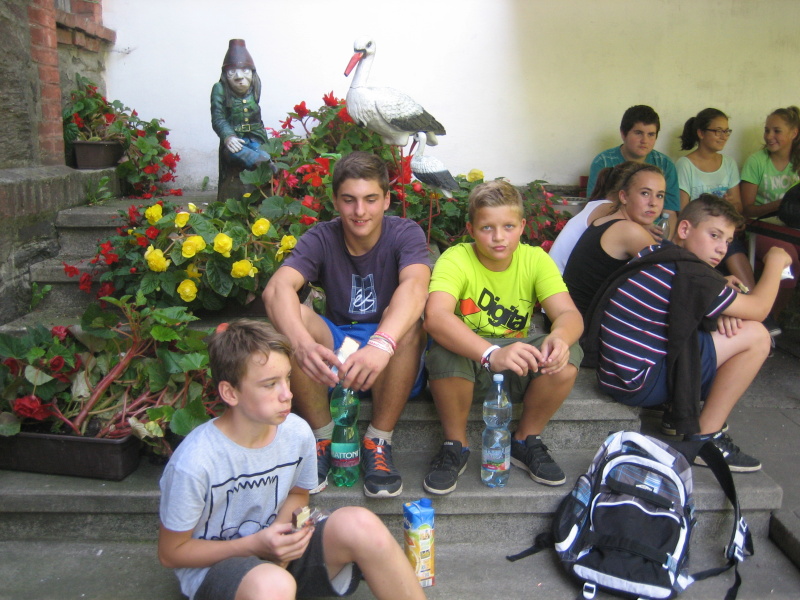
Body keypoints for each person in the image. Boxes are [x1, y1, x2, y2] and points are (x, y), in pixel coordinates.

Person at [158, 320, 425, 600]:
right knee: (273, 584)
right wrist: (256, 546)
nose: (287, 394)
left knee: (361, 524)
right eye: (270, 384)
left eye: (287, 378)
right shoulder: (195, 462)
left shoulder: (296, 432)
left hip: (277, 553)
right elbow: (171, 553)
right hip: (218, 568)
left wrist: (280, 538)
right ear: (230, 393)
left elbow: (298, 494)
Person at [262, 151, 431, 498]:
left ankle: (378, 442)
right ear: (336, 201)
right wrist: (301, 344)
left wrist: (381, 344)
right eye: (349, 200)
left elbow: (416, 286)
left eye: (371, 199)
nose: (360, 211)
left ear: (387, 200)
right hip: (337, 354)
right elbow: (277, 289)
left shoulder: (404, 232)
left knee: (410, 321)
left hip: (393, 355)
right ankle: (323, 439)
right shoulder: (322, 237)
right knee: (291, 318)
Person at [584, 195, 791, 472]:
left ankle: (677, 416)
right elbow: (760, 309)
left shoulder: (661, 254)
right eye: (714, 235)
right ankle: (704, 440)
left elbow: (684, 305)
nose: (721, 248)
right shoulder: (694, 275)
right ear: (684, 229)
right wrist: (776, 262)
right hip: (640, 383)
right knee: (757, 336)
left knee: (724, 325)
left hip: (617, 375)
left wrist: (722, 298)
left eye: (728, 241)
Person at [422, 180, 584, 495]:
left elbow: (569, 314)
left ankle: (525, 440)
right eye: (487, 228)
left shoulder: (535, 259)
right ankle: (455, 445)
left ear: (522, 227)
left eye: (508, 226)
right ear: (471, 229)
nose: (499, 237)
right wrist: (490, 354)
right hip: (469, 365)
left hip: (517, 367)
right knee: (444, 348)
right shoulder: (456, 258)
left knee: (568, 352)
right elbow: (436, 317)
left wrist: (561, 338)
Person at [563, 163, 664, 316]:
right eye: (645, 193)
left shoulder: (604, 221)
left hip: (570, 316)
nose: (653, 203)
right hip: (582, 324)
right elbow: (670, 272)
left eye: (660, 195)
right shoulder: (628, 230)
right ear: (623, 196)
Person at [677, 108, 758, 295]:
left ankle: (754, 302)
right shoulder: (685, 165)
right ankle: (753, 304)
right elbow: (683, 210)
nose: (723, 136)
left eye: (726, 131)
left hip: (724, 233)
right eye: (718, 131)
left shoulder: (728, 163)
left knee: (731, 245)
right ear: (701, 133)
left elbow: (738, 207)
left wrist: (731, 205)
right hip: (701, 232)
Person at [741, 106, 800, 323]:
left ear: (794, 133)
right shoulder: (756, 161)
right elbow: (747, 210)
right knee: (788, 258)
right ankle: (770, 319)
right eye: (767, 130)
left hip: (793, 229)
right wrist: (781, 205)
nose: (769, 136)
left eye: (776, 131)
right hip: (762, 228)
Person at [586, 105, 680, 232]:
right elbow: (595, 208)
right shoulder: (603, 161)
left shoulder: (665, 164)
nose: (644, 140)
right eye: (638, 133)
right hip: (615, 230)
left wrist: (664, 241)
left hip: (655, 232)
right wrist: (640, 229)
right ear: (623, 134)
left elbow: (670, 213)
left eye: (651, 134)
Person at [210, 39, 275, 200]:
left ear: (252, 72)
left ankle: (264, 174)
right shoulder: (219, 89)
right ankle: (262, 165)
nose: (239, 77)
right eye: (232, 72)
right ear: (225, 75)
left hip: (255, 136)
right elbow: (218, 117)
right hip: (235, 139)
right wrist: (228, 136)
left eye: (245, 71)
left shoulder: (256, 85)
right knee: (242, 155)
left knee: (263, 154)